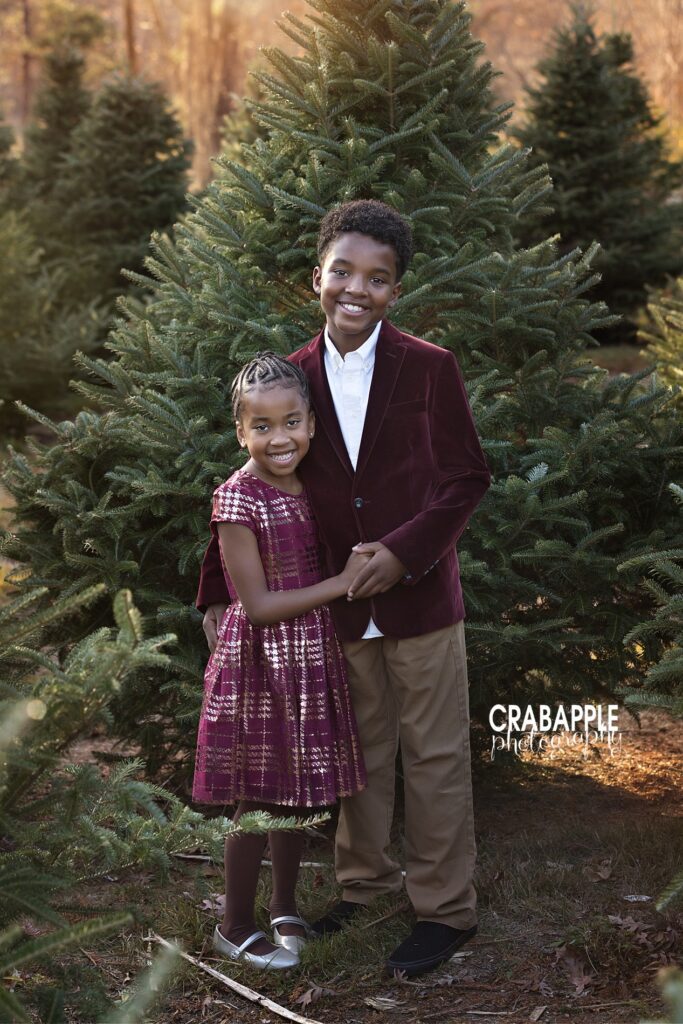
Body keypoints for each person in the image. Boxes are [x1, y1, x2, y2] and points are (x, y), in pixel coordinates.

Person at [197, 199, 491, 977]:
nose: (356, 289)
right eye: (342, 272)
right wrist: (213, 598)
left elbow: (466, 476)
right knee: (357, 749)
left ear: (395, 291)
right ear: (317, 278)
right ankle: (362, 886)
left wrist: (402, 554)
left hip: (418, 599)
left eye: (377, 278)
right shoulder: (291, 378)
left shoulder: (429, 367)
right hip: (334, 611)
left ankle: (443, 909)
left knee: (431, 755)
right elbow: (252, 483)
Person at [192, 352, 368, 970]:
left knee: (297, 794)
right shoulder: (237, 499)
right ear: (241, 432)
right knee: (259, 796)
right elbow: (259, 605)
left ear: (311, 424)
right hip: (262, 662)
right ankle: (234, 921)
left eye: (290, 422)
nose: (279, 438)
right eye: (261, 427)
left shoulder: (314, 485)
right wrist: (342, 584)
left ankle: (284, 907)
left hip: (310, 657)